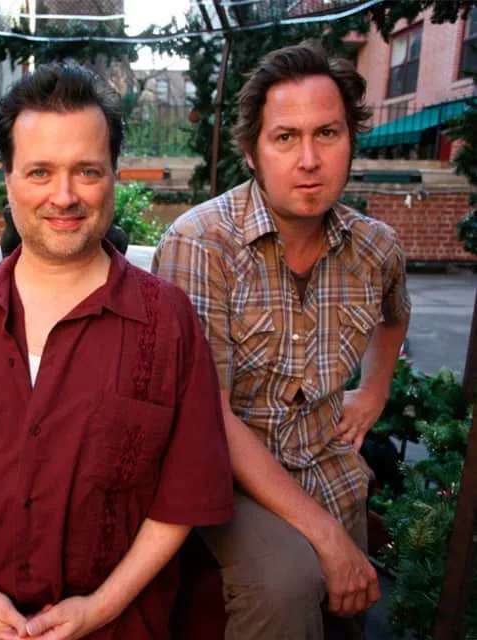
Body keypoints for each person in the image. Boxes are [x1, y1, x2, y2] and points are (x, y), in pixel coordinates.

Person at [0, 62, 234, 640]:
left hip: (119, 627)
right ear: (8, 178)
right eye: (40, 172)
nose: (64, 196)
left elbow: (183, 495)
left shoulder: (168, 322)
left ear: (115, 175)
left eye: (87, 171)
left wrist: (98, 609)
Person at [153, 40, 411, 639]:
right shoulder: (202, 244)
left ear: (351, 139)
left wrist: (374, 390)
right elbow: (208, 417)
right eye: (286, 137)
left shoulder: (375, 248)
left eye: (328, 134)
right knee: (287, 585)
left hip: (327, 463)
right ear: (252, 151)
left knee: (348, 610)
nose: (309, 160)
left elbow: (395, 315)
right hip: (226, 474)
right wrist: (324, 535)